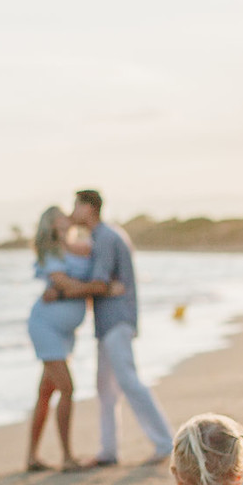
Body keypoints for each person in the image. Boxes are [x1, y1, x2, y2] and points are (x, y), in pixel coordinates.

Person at [41, 189, 171, 464]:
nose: (73, 212)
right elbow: (99, 283)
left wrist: (62, 293)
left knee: (128, 381)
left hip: (116, 321)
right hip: (108, 323)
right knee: (106, 389)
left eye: (76, 206)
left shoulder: (107, 238)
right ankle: (109, 451)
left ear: (88, 208)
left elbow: (99, 284)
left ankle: (164, 443)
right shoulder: (101, 238)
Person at [23, 206, 119, 471]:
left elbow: (100, 260)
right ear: (50, 227)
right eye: (57, 221)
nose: (64, 222)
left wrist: (95, 286)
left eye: (64, 218)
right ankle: (67, 457)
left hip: (65, 333)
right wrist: (104, 289)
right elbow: (67, 286)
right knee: (67, 388)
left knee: (46, 392)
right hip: (46, 327)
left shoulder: (79, 248)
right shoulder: (50, 253)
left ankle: (32, 457)